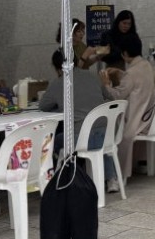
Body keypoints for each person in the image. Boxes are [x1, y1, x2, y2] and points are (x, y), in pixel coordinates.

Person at [39, 50, 111, 178]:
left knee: (55, 140)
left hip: (79, 137)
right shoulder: (93, 75)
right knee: (94, 138)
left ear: (58, 68)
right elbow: (108, 96)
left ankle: (66, 177)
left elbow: (43, 106)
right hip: (105, 132)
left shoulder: (59, 83)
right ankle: (111, 180)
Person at [100, 32, 155, 193]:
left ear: (124, 54)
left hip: (135, 121)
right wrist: (121, 74)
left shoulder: (131, 74)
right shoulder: (146, 65)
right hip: (149, 117)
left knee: (114, 131)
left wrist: (106, 84)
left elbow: (116, 96)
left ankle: (116, 175)